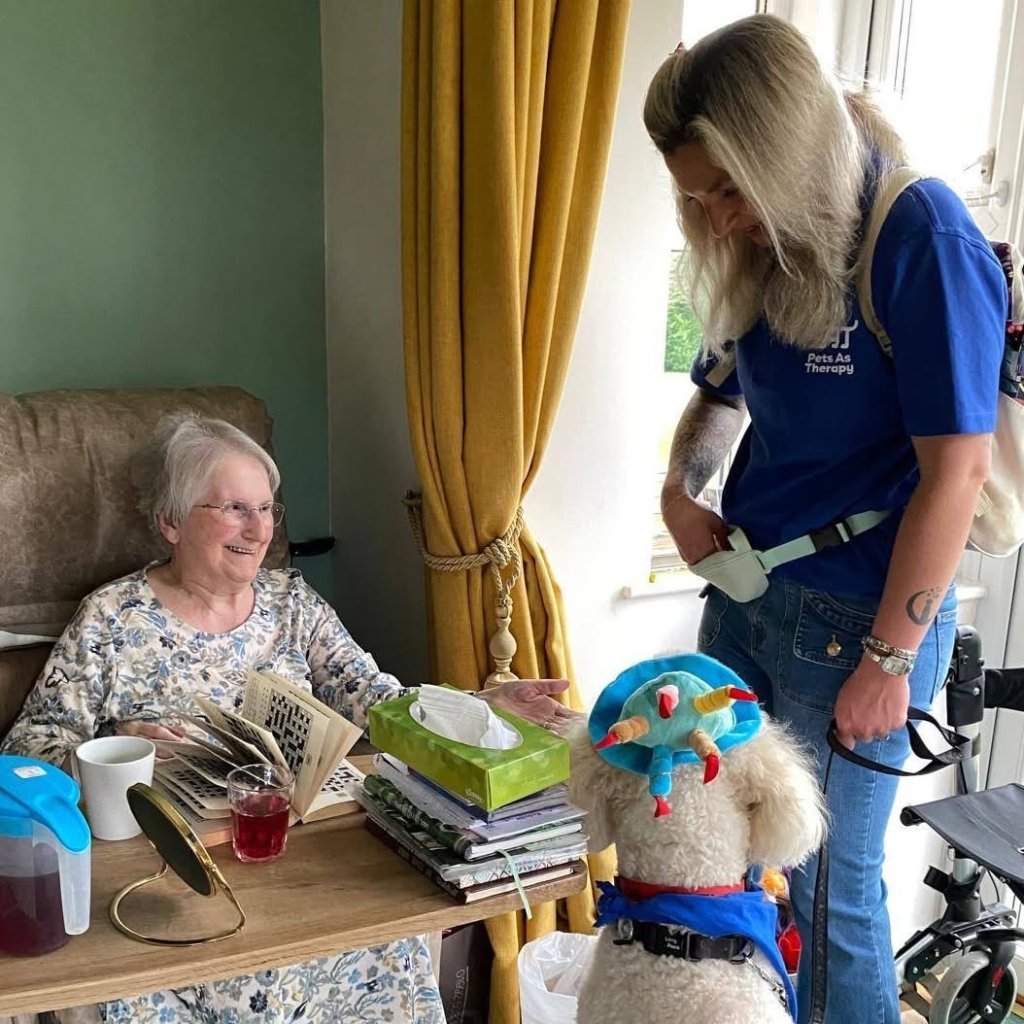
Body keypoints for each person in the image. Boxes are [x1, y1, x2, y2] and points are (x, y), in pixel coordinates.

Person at [643, 15, 1004, 1024]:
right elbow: (719, 395)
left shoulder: (917, 236)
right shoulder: (763, 247)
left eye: (727, 189)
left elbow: (957, 473)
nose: (714, 219)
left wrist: (887, 664)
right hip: (748, 598)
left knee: (828, 887)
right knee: (714, 844)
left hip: (855, 624)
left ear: (788, 151)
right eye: (693, 197)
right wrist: (680, 494)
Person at [2, 412, 574, 1024]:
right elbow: (29, 744)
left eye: (267, 509)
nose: (259, 529)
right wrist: (114, 747)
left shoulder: (292, 603)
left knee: (386, 937)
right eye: (234, 509)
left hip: (304, 856)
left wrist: (474, 706)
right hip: (172, 868)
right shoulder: (112, 617)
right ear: (170, 521)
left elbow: (375, 698)